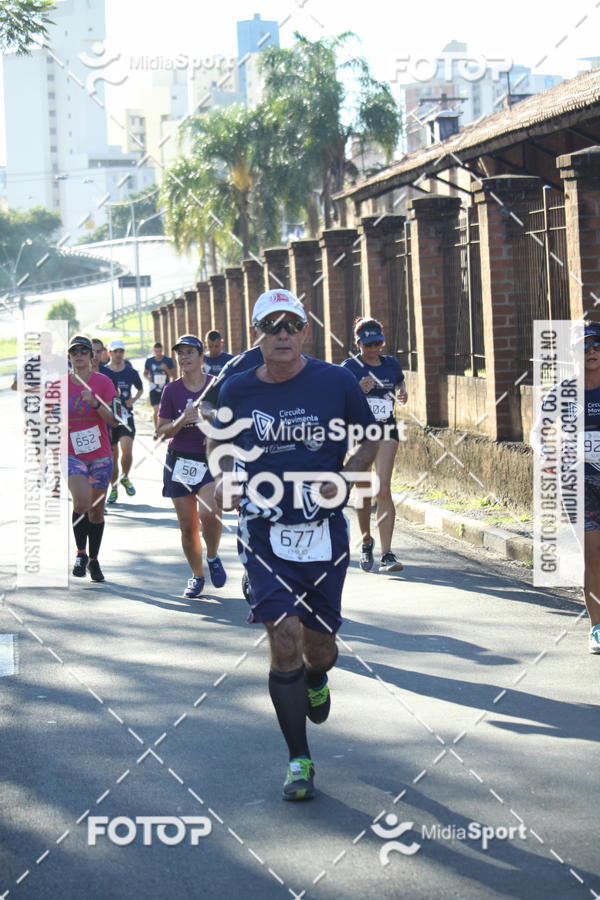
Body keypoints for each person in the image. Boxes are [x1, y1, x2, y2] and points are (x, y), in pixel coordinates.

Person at [208, 289, 379, 801]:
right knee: (284, 638)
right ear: (257, 333)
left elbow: (370, 436)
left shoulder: (335, 381)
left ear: (304, 331)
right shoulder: (237, 388)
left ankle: (317, 678)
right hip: (263, 528)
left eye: (291, 325)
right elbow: (218, 441)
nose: (282, 334)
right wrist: (225, 477)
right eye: (272, 325)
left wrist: (345, 477)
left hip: (322, 529)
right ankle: (299, 759)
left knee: (318, 649)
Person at [157, 334, 227, 598]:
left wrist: (213, 429)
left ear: (201, 356)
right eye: (180, 353)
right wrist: (181, 421)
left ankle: (213, 556)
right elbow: (161, 431)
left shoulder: (216, 385)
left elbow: (231, 420)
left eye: (189, 352)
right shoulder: (171, 390)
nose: (184, 357)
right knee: (188, 526)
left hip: (209, 460)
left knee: (210, 514)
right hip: (180, 461)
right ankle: (197, 576)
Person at [341, 317, 408, 573]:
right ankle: (366, 539)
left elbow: (399, 379)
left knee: (383, 488)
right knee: (364, 490)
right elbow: (339, 398)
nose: (373, 349)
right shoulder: (349, 367)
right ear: (358, 343)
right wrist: (358, 389)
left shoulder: (391, 363)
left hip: (386, 428)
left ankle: (387, 553)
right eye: (368, 344)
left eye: (377, 343)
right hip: (360, 431)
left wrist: (402, 390)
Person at [67, 335, 117, 582]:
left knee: (96, 511)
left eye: (83, 351)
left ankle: (94, 560)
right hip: (72, 454)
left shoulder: (103, 382)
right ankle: (80, 553)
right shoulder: (60, 385)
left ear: (92, 355)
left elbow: (114, 420)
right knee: (81, 502)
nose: (79, 355)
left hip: (100, 456)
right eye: (74, 352)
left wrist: (95, 403)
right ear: (69, 357)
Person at [104, 339, 143, 503]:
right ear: (109, 353)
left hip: (126, 417)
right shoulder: (104, 372)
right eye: (115, 351)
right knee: (113, 457)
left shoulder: (130, 372)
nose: (119, 354)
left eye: (121, 351)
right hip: (109, 418)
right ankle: (114, 489)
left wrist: (133, 400)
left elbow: (140, 388)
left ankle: (125, 476)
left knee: (127, 451)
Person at [144, 342, 176, 430]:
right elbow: (145, 373)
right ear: (153, 351)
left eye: (160, 351)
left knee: (166, 410)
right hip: (153, 388)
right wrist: (148, 378)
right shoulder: (149, 361)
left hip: (165, 389)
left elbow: (173, 375)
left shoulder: (168, 360)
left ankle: (165, 429)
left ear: (162, 350)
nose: (158, 353)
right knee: (156, 409)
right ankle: (157, 430)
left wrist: (166, 369)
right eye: (156, 351)